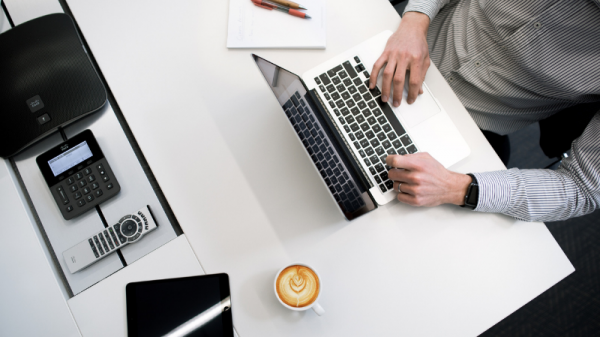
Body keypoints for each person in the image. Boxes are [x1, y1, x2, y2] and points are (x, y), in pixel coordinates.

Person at [370, 0, 600, 222]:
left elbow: (582, 187)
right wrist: (415, 21)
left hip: (466, 128)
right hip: (403, 42)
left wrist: (456, 187)